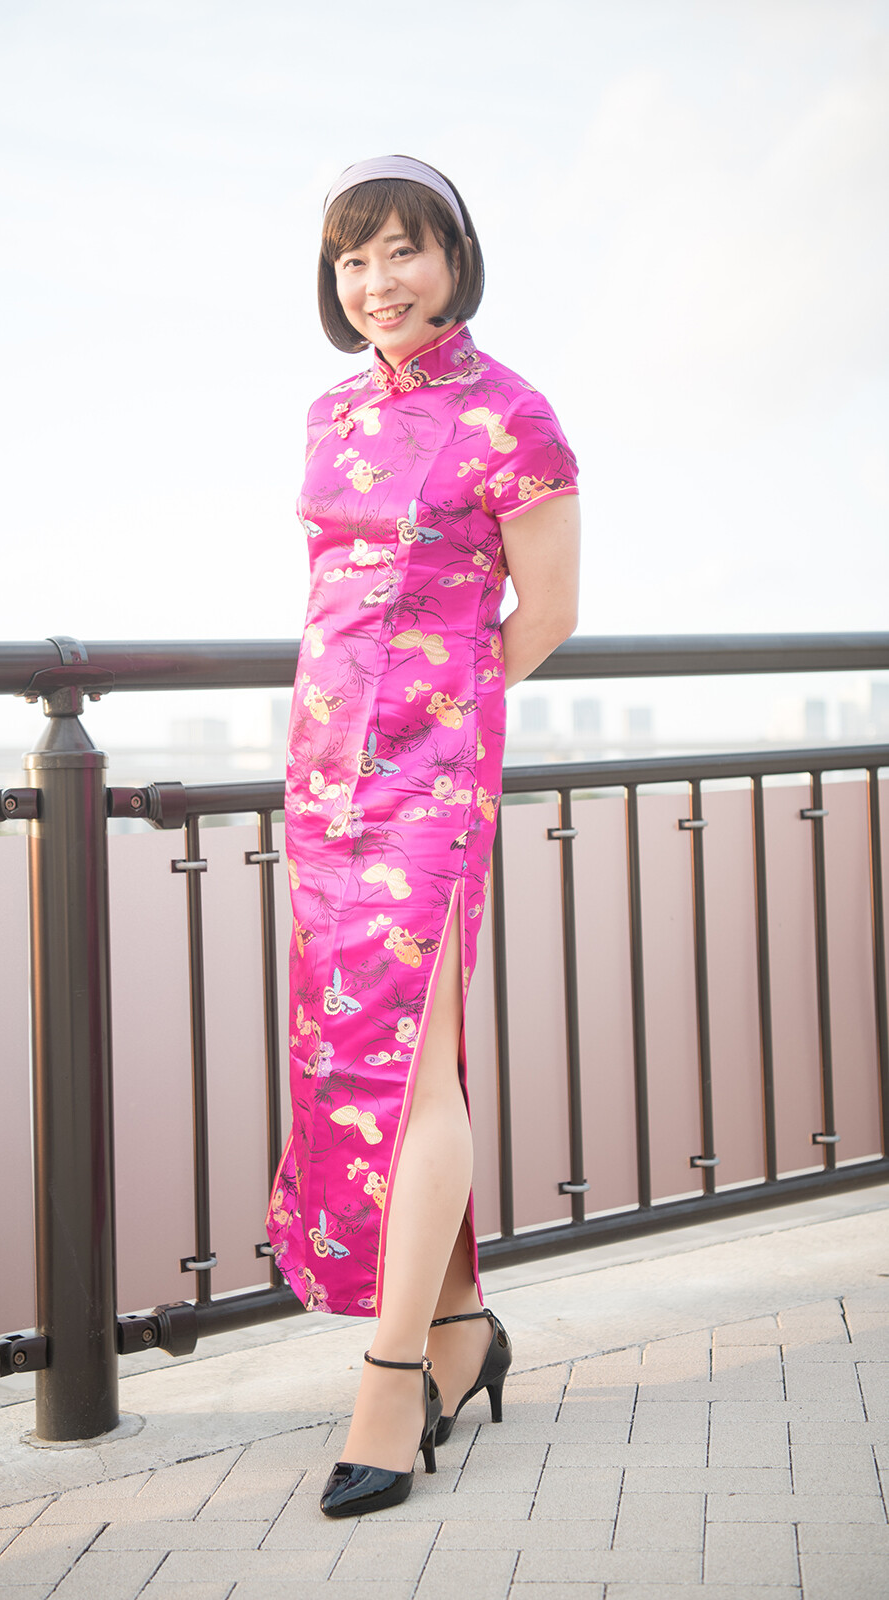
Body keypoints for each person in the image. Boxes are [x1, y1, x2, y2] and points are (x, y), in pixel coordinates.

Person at [264, 154, 580, 1518]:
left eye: (403, 251)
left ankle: (391, 1382)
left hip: (431, 780)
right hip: (322, 776)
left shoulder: (513, 413)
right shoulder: (331, 412)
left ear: (454, 259)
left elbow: (547, 612)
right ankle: (460, 1329)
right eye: (354, 259)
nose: (378, 281)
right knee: (355, 1053)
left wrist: (439, 720)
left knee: (409, 1072)